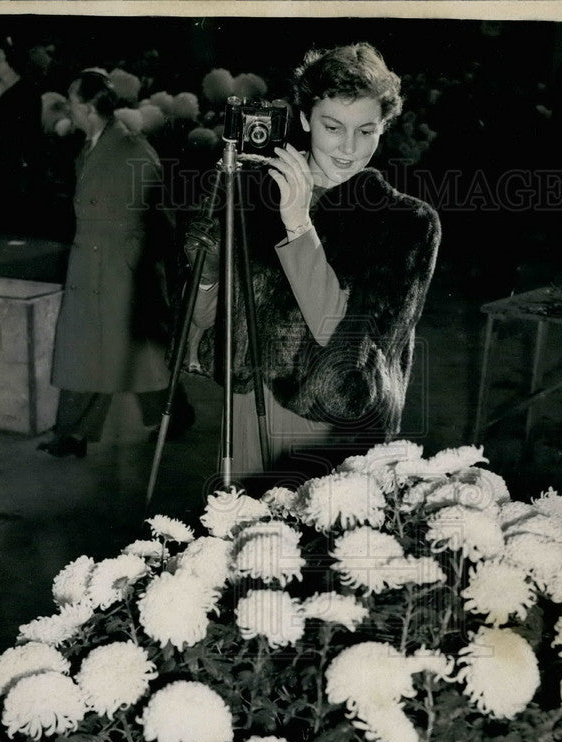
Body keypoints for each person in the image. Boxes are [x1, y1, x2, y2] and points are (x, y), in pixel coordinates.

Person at [184, 42, 441, 486]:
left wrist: (299, 222)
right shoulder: (253, 194)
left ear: (385, 127)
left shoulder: (407, 224)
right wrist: (205, 277)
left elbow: (343, 338)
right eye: (332, 127)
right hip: (248, 412)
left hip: (331, 426)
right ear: (304, 119)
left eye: (366, 131)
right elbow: (212, 327)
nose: (348, 148)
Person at [39, 69, 193, 458]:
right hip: (93, 263)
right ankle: (74, 434)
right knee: (88, 349)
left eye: (72, 105)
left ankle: (173, 413)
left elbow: (161, 215)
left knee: (137, 354)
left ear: (88, 108)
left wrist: (142, 266)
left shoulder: (132, 149)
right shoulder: (91, 145)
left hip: (121, 268)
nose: (68, 113)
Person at [0, 36, 44, 236]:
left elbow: (29, 137)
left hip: (15, 169)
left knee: (12, 225)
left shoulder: (28, 91)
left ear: (10, 59)